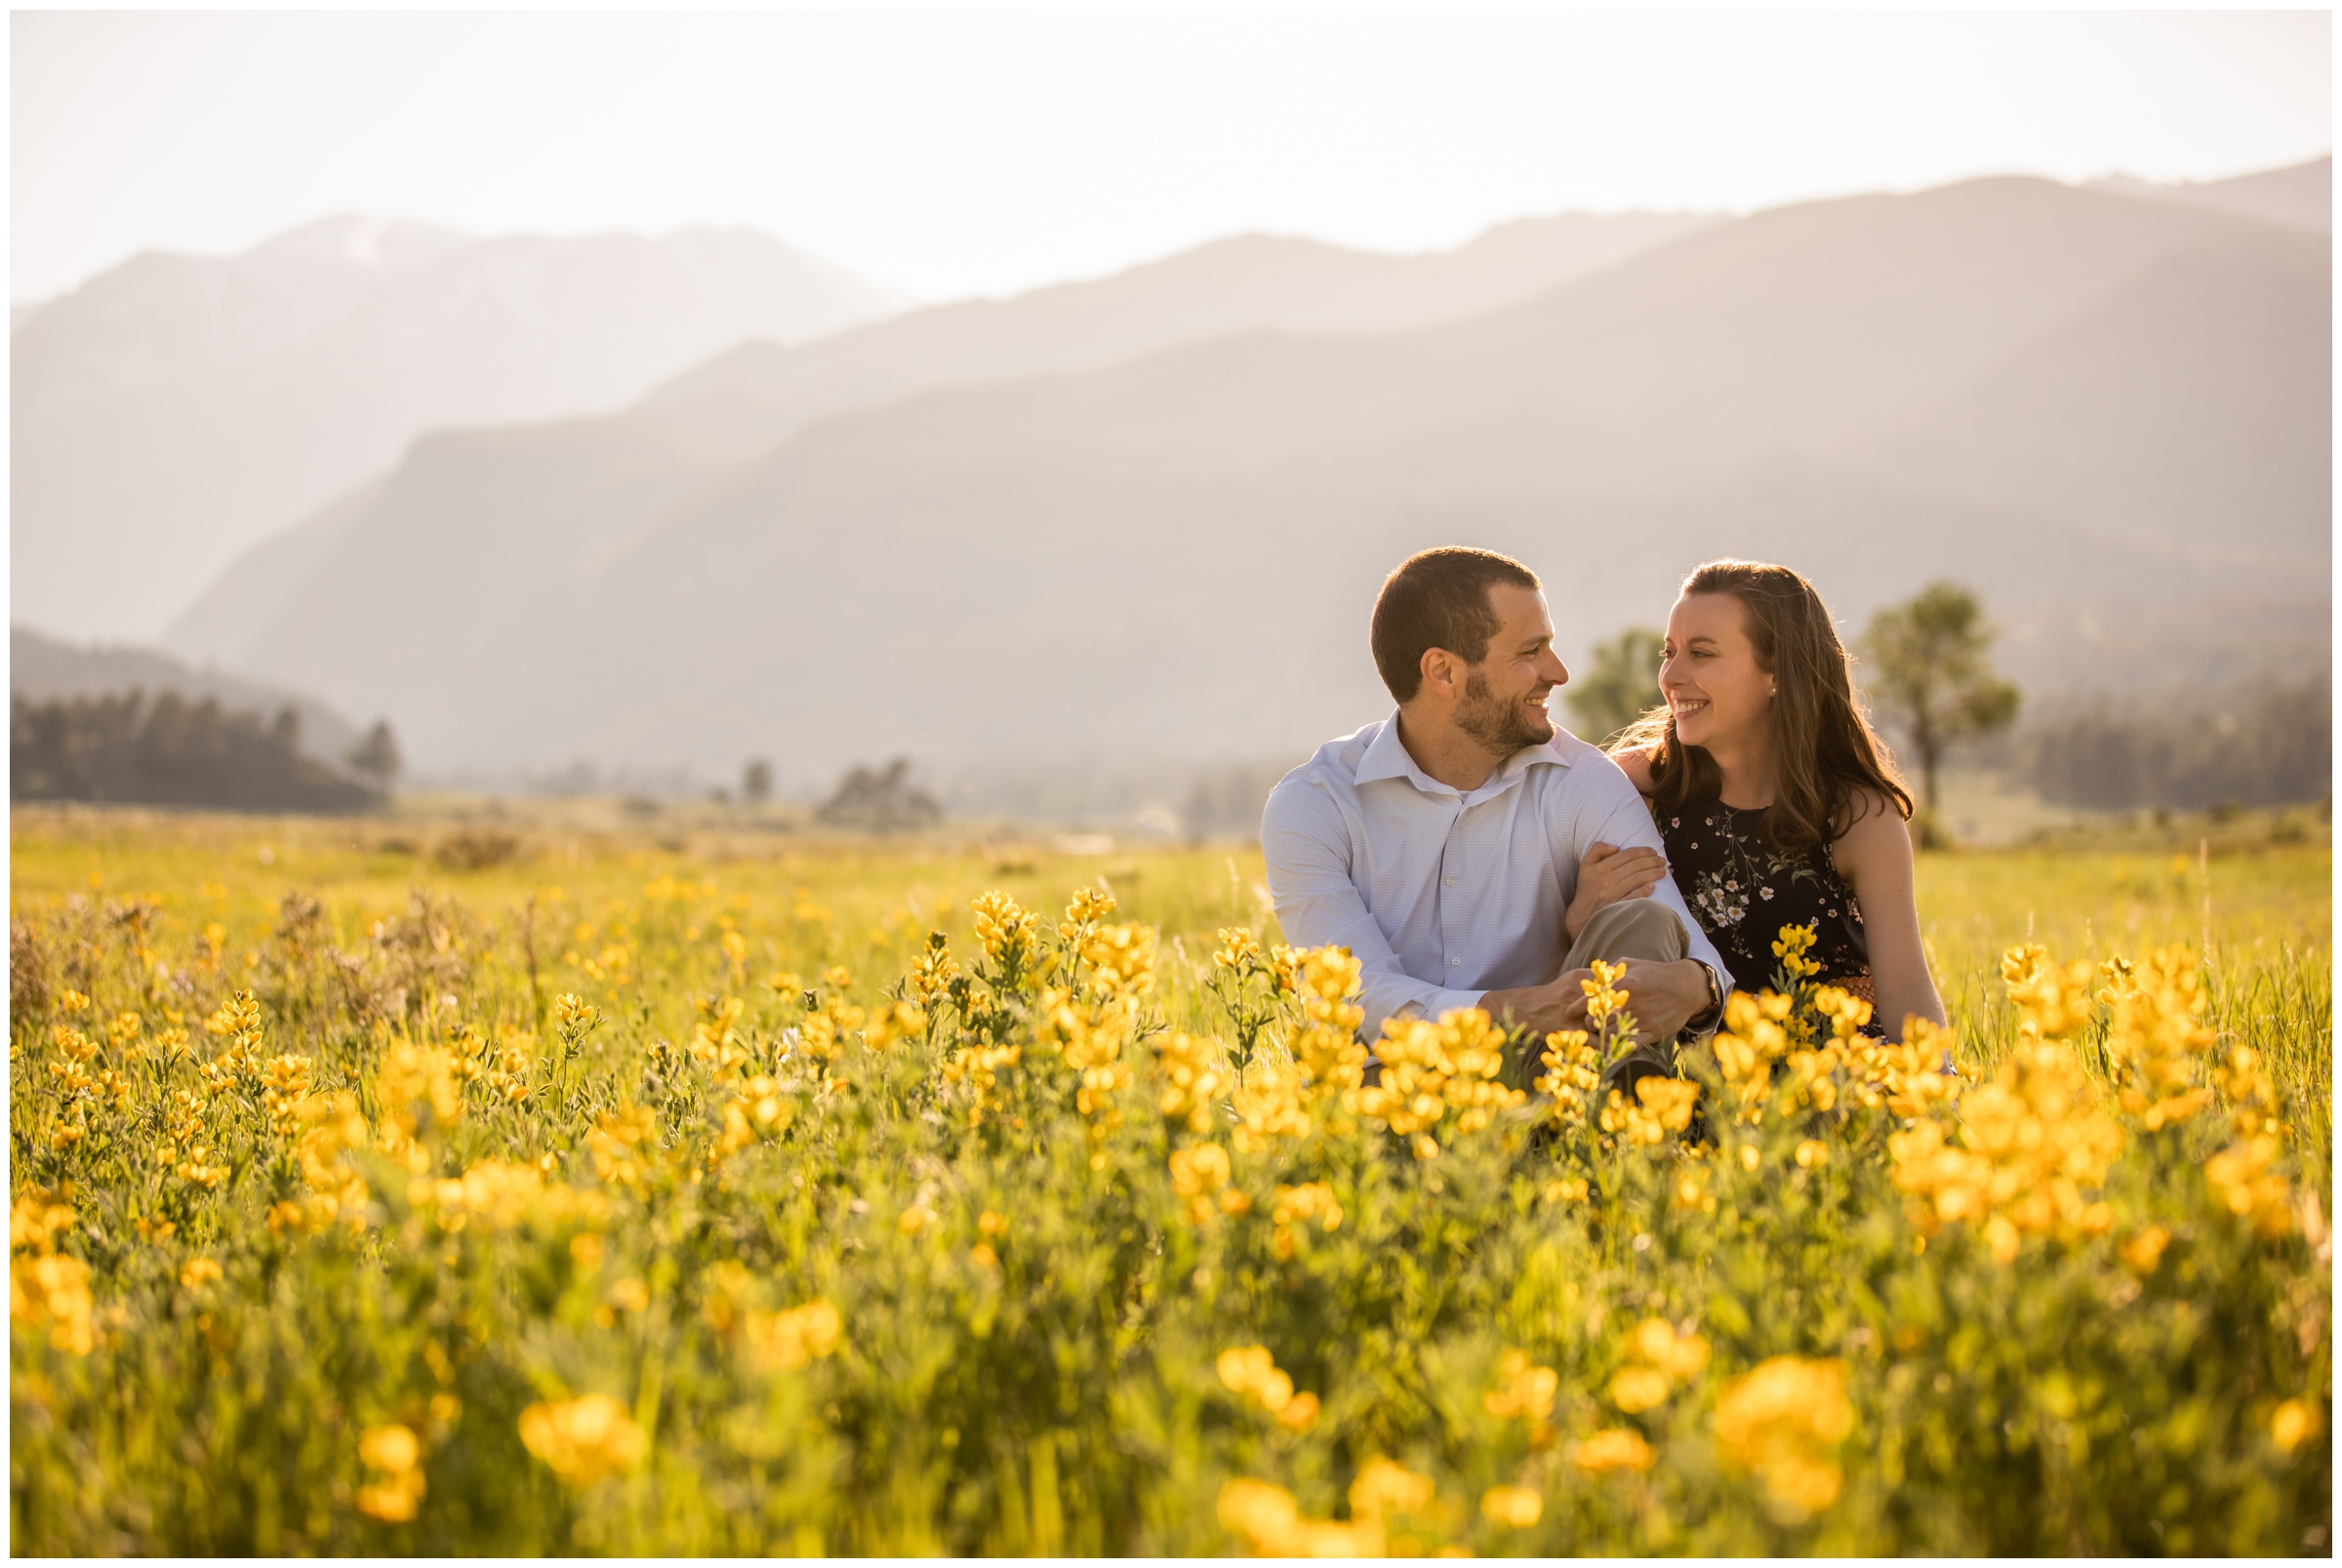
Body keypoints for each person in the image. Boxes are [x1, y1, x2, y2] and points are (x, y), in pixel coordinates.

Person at [1262, 546, 1730, 1092]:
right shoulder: (1316, 805)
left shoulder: (1583, 780)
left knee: (1641, 924)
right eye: (1531, 652)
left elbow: (1687, 946)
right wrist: (1522, 1009)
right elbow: (1362, 1000)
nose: (1558, 673)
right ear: (1444, 671)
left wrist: (1699, 986)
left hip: (1552, 1074)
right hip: (1393, 1093)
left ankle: (1613, 1138)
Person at [1610, 559, 1946, 1040]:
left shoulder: (1857, 816)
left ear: (1778, 673)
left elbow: (1907, 988)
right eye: (1670, 652)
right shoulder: (1637, 788)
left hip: (1839, 1079)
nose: (1670, 677)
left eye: (1702, 654)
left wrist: (1934, 1097)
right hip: (1699, 1083)